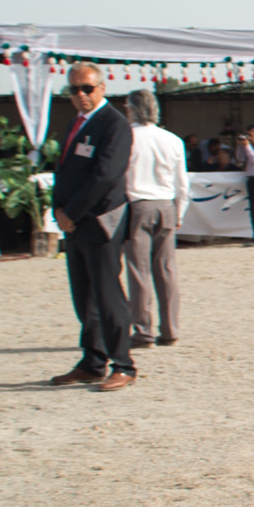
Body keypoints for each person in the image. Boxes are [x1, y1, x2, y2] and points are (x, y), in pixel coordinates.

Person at [47, 63, 138, 391]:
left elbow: (105, 176)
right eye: (74, 89)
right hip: (75, 224)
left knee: (107, 293)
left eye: (87, 88)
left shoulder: (114, 124)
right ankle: (92, 361)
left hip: (100, 221)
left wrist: (71, 211)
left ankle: (123, 364)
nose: (80, 95)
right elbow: (67, 172)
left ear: (102, 88)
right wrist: (59, 210)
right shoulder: (77, 122)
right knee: (83, 296)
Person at [123, 90, 188, 348]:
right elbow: (182, 182)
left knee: (139, 272)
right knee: (167, 270)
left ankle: (143, 330)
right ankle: (171, 328)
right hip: (166, 205)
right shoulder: (172, 139)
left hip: (137, 205)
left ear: (132, 108)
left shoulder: (127, 137)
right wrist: (179, 211)